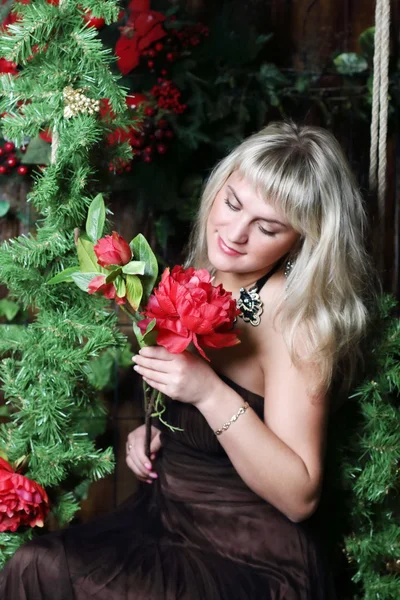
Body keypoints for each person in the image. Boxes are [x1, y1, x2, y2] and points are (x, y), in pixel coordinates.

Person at [0, 120, 373, 599]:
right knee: (34, 565)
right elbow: (208, 418)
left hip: (249, 556)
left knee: (46, 571)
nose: (234, 234)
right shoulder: (203, 273)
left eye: (267, 227)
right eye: (233, 203)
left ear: (302, 241)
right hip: (166, 515)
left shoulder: (298, 324)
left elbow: (300, 496)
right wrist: (159, 430)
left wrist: (208, 393)